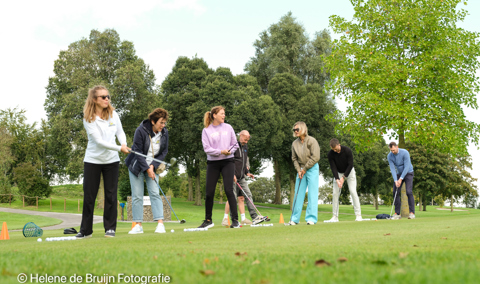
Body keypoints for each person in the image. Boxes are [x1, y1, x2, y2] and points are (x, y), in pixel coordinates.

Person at [76, 86, 130, 238]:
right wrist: (120, 148)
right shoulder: (88, 118)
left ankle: (110, 228)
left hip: (111, 161)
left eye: (108, 96)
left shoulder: (113, 114)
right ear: (94, 100)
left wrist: (124, 143)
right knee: (89, 196)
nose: (107, 99)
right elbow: (99, 142)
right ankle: (85, 230)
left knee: (111, 195)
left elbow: (120, 132)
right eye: (103, 97)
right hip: (93, 160)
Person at [125, 108, 169, 234]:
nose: (163, 125)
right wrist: (146, 168)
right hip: (136, 166)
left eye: (164, 122)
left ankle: (160, 224)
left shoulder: (164, 132)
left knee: (155, 193)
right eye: (161, 122)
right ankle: (138, 225)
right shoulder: (141, 130)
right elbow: (138, 152)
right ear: (153, 121)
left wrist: (153, 166)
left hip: (152, 166)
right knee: (137, 195)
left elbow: (164, 152)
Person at [199, 106, 240, 229]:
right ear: (214, 115)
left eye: (224, 113)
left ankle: (235, 221)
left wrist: (229, 151)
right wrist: (221, 151)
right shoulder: (206, 130)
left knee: (229, 190)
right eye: (222, 114)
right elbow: (207, 149)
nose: (224, 116)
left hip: (228, 162)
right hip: (213, 163)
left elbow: (235, 144)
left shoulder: (228, 127)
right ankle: (208, 220)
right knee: (209, 193)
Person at [221, 130, 264, 226]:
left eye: (247, 140)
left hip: (241, 178)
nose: (246, 142)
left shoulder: (245, 147)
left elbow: (243, 162)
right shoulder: (233, 145)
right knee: (232, 198)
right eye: (245, 140)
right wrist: (231, 174)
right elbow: (228, 161)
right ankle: (234, 220)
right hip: (232, 177)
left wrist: (247, 172)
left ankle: (254, 217)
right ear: (240, 136)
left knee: (248, 195)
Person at [287, 122, 320, 225]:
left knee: (312, 194)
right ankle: (294, 219)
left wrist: (304, 169)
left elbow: (315, 157)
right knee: (298, 194)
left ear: (303, 129)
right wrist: (299, 170)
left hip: (312, 168)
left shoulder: (312, 141)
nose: (295, 131)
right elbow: (294, 158)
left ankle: (311, 219)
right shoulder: (294, 143)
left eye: (297, 129)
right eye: (294, 130)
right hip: (300, 170)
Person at [325, 138, 363, 223]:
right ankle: (335, 216)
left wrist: (343, 177)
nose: (335, 151)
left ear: (339, 145)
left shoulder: (347, 150)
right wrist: (337, 179)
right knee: (335, 193)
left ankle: (358, 215)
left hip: (350, 172)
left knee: (353, 191)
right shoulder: (330, 154)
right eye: (333, 149)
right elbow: (333, 167)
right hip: (338, 173)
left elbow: (350, 164)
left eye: (336, 149)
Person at [388, 142, 415, 219]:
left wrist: (401, 179)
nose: (393, 152)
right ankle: (397, 213)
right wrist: (396, 180)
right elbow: (392, 169)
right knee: (395, 192)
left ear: (397, 147)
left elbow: (406, 166)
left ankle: (412, 213)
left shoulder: (405, 152)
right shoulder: (390, 156)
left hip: (408, 172)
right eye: (391, 150)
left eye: (393, 150)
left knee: (408, 191)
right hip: (399, 173)